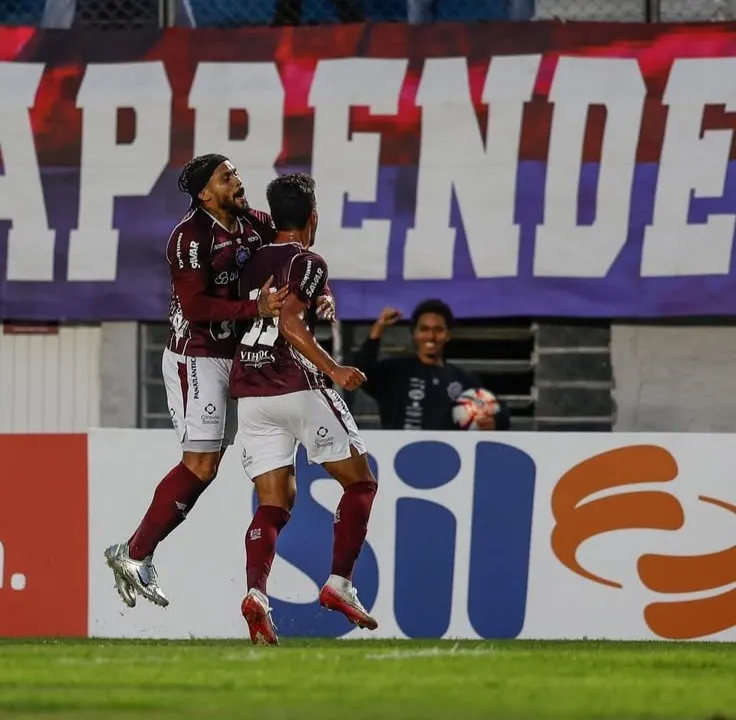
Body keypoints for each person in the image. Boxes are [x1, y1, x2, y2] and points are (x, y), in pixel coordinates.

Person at [103, 155, 334, 609]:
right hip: (198, 356)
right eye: (226, 178)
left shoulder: (251, 221)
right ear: (205, 194)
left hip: (236, 356)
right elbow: (196, 310)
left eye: (235, 174)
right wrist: (256, 310)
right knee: (201, 464)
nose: (237, 182)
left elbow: (295, 253)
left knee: (208, 467)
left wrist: (322, 292)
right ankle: (133, 553)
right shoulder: (189, 238)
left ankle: (136, 551)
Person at [230, 173, 379, 645]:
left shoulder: (247, 260)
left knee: (273, 503)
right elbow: (290, 319)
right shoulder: (308, 258)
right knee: (360, 482)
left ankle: (256, 593)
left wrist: (321, 294)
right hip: (297, 384)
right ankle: (339, 584)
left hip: (251, 393)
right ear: (313, 217)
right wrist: (334, 369)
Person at [353, 300, 512, 431]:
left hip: (445, 461)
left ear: (448, 335)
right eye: (424, 329)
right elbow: (359, 372)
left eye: (438, 330)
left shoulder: (463, 380)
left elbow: (497, 409)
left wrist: (495, 421)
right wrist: (378, 329)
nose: (431, 336)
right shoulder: (395, 371)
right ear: (414, 334)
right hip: (398, 461)